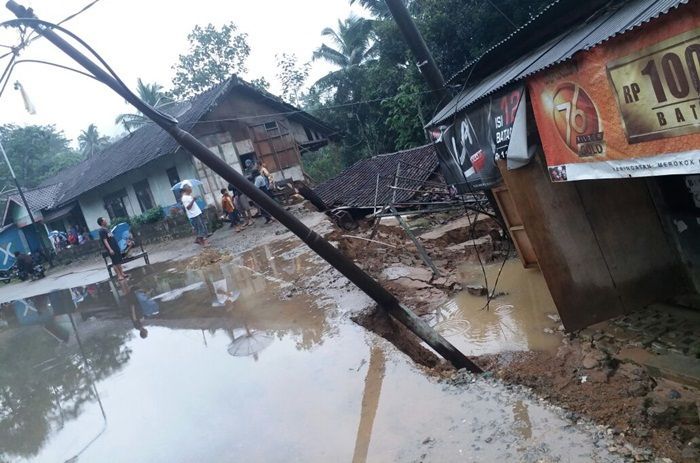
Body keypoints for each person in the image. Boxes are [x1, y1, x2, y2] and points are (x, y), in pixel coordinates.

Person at [181, 181, 210, 246]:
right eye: (190, 188)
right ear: (187, 189)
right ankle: (204, 242)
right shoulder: (184, 198)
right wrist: (193, 199)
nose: (191, 189)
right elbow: (188, 207)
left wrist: (194, 199)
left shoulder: (188, 196)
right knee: (201, 228)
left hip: (197, 213)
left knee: (202, 227)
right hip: (194, 215)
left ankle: (199, 240)